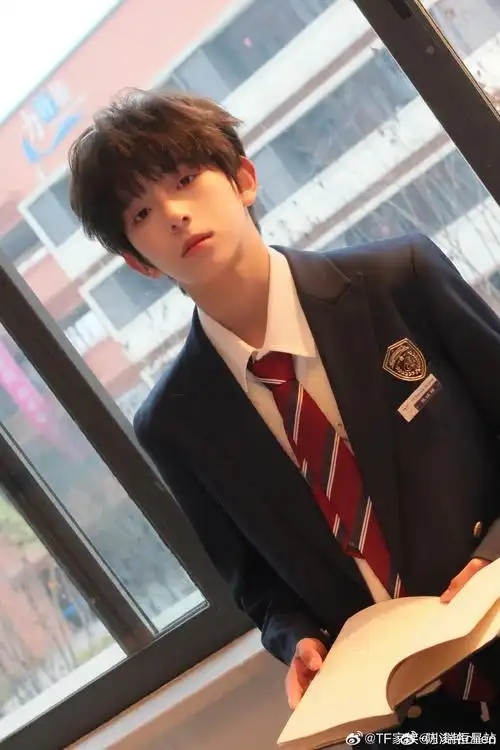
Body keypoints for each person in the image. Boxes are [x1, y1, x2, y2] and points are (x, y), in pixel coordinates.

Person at [68, 89, 500, 739]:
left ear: (244, 178)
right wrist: (296, 640)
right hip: (406, 713)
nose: (176, 215)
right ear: (138, 261)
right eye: (142, 212)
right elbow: (257, 583)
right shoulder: (174, 423)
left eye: (185, 180)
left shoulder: (396, 280)